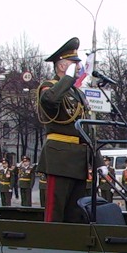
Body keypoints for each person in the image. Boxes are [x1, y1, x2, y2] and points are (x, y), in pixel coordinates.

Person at [36, 37, 91, 223]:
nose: (78, 66)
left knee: (76, 213)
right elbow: (50, 101)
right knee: (55, 212)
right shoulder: (49, 87)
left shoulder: (77, 93)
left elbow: (86, 130)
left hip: (79, 159)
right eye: (74, 63)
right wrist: (67, 79)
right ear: (62, 66)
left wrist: (97, 162)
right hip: (59, 159)